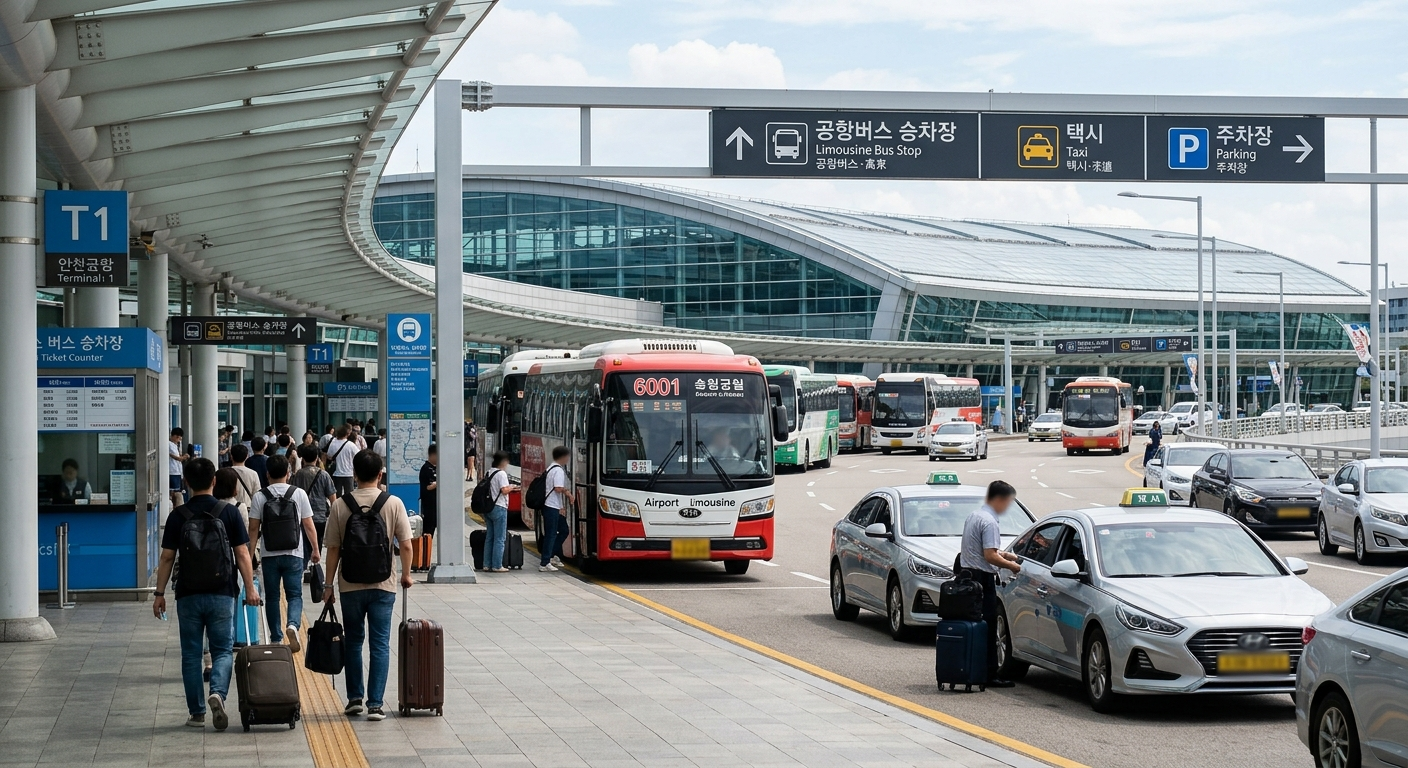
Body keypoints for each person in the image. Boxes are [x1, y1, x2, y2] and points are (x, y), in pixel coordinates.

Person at [151, 458, 260, 730]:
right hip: (222, 591)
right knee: (223, 650)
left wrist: (159, 593)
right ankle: (218, 693)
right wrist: (250, 587)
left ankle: (197, 713)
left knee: (190, 655)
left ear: (186, 482)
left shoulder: (178, 516)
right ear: (214, 481)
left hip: (188, 594)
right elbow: (243, 554)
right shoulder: (229, 512)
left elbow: (166, 558)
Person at [322, 450, 413, 722]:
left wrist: (328, 586)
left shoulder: (340, 505)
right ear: (380, 474)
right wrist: (406, 574)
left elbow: (333, 549)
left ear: (355, 474)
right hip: (383, 584)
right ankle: (375, 704)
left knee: (353, 642)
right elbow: (406, 544)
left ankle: (354, 700)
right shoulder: (393, 502)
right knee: (380, 644)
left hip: (350, 584)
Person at [248, 455, 319, 651]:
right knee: (294, 595)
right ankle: (292, 625)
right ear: (288, 473)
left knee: (271, 597)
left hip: (269, 554)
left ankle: (276, 638)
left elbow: (253, 529)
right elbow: (308, 525)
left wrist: (249, 554)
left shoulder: (260, 496)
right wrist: (315, 549)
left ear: (267, 474)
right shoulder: (299, 494)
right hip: (294, 553)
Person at [959, 480, 1023, 690]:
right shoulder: (990, 522)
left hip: (968, 577)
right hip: (982, 579)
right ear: (999, 499)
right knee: (988, 627)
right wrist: (1012, 567)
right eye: (1008, 502)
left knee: (977, 626)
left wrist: (1007, 555)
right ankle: (989, 675)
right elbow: (989, 556)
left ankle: (975, 670)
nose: (1007, 507)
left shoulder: (975, 516)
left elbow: (984, 550)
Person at [292, 444, 337, 559]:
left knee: (303, 547)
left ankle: (306, 565)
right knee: (317, 547)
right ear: (317, 458)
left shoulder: (297, 475)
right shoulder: (324, 475)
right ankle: (314, 567)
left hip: (301, 517)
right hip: (319, 517)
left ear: (303, 459)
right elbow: (333, 498)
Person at [539, 446, 573, 573]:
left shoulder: (550, 467)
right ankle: (545, 562)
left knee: (563, 530)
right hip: (551, 506)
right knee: (551, 534)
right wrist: (568, 493)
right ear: (563, 457)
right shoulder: (558, 470)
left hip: (553, 506)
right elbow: (558, 488)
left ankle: (552, 555)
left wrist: (561, 506)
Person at [484, 452, 518, 573]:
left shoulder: (489, 472)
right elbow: (504, 490)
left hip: (488, 508)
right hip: (499, 507)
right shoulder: (501, 473)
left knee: (490, 537)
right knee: (499, 538)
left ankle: (486, 564)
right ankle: (497, 565)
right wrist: (512, 487)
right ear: (503, 461)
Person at [228, 444, 261, 509]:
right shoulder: (253, 474)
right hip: (248, 508)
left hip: (229, 508)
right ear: (247, 456)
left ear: (231, 457)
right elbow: (257, 494)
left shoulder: (225, 473)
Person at [327, 425, 358, 495]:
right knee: (349, 495)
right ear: (347, 434)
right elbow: (359, 456)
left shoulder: (333, 443)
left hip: (336, 473)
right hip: (348, 473)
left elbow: (329, 455)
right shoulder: (351, 445)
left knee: (337, 496)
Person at [418, 444, 439, 544]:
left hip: (436, 506)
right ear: (433, 455)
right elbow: (428, 486)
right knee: (427, 533)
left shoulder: (437, 468)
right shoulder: (426, 469)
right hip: (428, 506)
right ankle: (424, 556)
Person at [169, 427, 191, 508]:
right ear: (174, 436)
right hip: (172, 471)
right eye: (178, 438)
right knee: (173, 491)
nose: (179, 440)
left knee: (177, 490)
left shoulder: (175, 445)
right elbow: (177, 458)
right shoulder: (169, 445)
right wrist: (184, 457)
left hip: (177, 471)